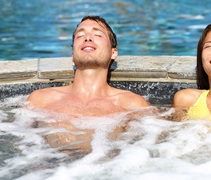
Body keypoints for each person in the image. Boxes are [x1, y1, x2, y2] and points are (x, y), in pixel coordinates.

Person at [27, 16, 150, 156]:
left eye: (97, 34)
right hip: (50, 170)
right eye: (80, 35)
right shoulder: (40, 100)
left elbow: (151, 147)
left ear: (113, 53)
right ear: (72, 54)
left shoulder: (132, 104)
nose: (88, 38)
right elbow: (22, 145)